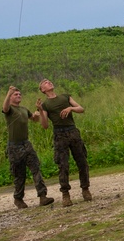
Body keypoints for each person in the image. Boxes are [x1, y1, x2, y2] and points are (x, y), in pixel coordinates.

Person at [37, 78, 92, 206]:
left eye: (49, 81)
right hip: (59, 134)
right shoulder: (45, 105)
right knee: (63, 165)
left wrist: (70, 109)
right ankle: (65, 194)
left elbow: (81, 108)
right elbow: (44, 125)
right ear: (42, 90)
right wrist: (40, 110)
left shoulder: (65, 97)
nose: (49, 82)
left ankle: (85, 189)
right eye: (45, 83)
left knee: (82, 161)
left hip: (72, 131)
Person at [2, 86, 55, 209]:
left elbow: (34, 119)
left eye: (19, 94)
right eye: (15, 94)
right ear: (10, 98)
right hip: (14, 146)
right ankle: (18, 198)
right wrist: (9, 92)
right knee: (19, 174)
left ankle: (42, 196)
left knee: (35, 168)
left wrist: (38, 111)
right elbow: (4, 108)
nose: (18, 95)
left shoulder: (24, 109)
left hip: (26, 144)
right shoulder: (9, 109)